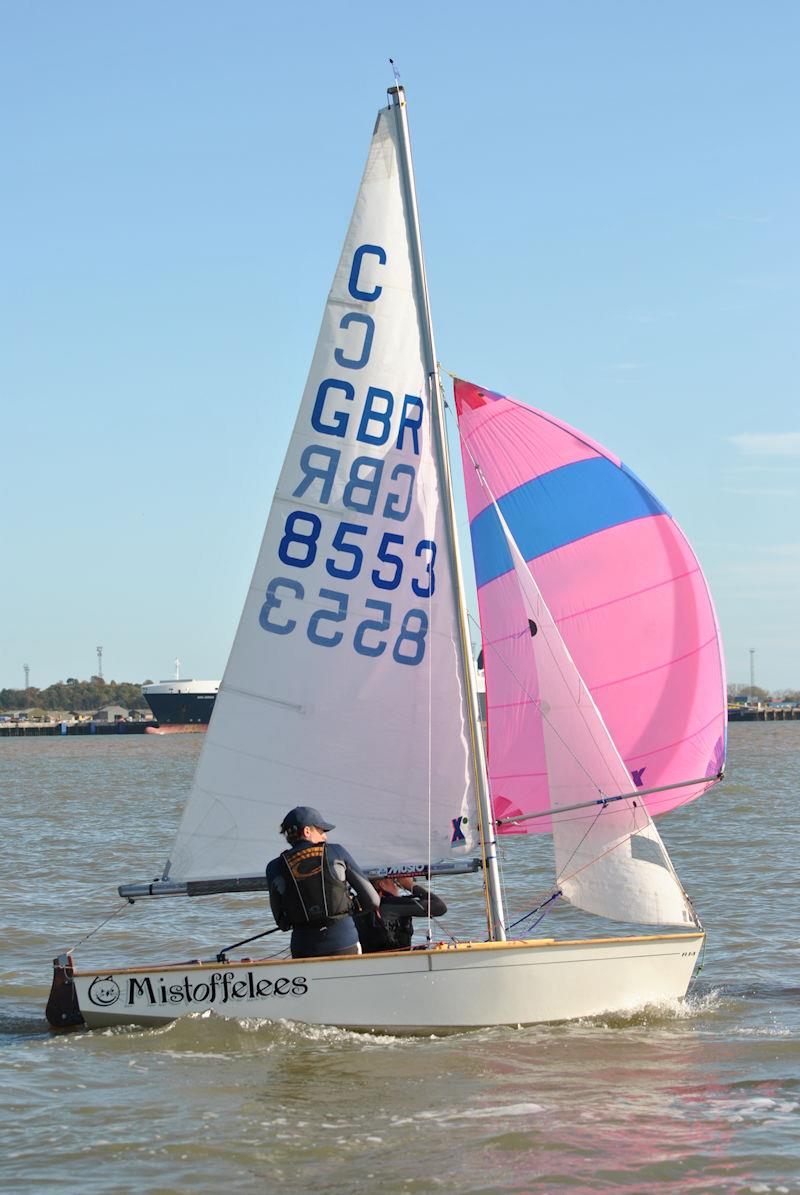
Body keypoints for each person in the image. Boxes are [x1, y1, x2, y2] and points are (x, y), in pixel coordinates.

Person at [266, 806, 379, 959]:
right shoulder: (336, 851)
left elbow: (282, 923)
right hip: (343, 942)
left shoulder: (274, 867)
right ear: (307, 831)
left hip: (303, 948)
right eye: (321, 831)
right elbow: (373, 900)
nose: (325, 837)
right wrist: (350, 908)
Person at [356, 875, 447, 953]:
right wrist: (409, 885)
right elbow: (440, 907)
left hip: (370, 959)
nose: (397, 887)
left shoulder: (359, 904)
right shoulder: (390, 904)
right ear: (382, 885)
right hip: (394, 962)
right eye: (394, 883)